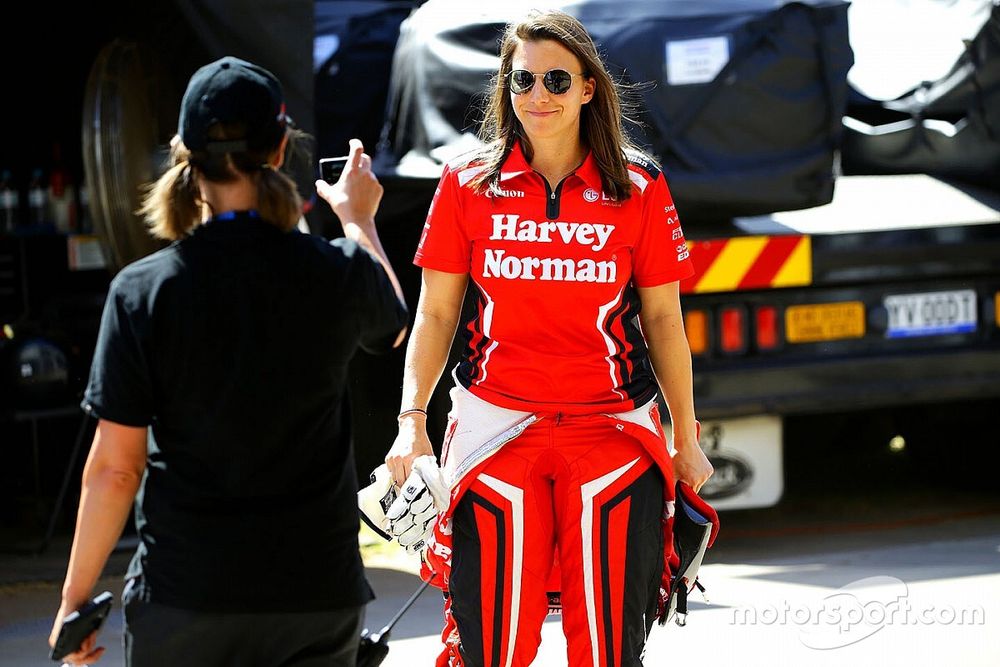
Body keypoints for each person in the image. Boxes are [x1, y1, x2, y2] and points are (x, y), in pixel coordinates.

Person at [48, 56, 408, 666]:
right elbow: (392, 325)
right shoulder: (333, 271)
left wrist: (73, 604)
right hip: (314, 595)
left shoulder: (144, 291)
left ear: (185, 157)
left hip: (187, 598)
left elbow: (114, 469)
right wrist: (356, 218)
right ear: (279, 148)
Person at [383, 9, 714, 667]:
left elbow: (666, 323)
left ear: (590, 87)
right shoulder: (466, 181)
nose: (537, 96)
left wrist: (686, 437)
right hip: (496, 433)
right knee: (494, 647)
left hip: (613, 437)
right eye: (522, 80)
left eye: (556, 81)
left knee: (610, 649)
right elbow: (436, 314)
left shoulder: (640, 185)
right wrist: (410, 420)